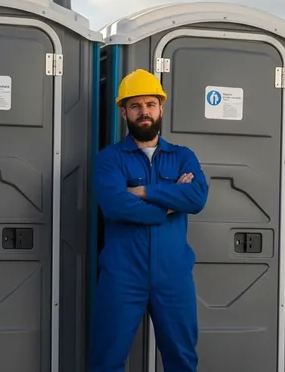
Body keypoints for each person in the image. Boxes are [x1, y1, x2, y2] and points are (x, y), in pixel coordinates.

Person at [89, 69, 209, 372]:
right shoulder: (110, 159)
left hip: (173, 275)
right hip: (122, 274)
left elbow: (196, 198)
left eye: (150, 104)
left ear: (161, 108)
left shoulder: (183, 156)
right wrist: (169, 205)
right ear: (123, 112)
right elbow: (116, 205)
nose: (144, 112)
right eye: (136, 106)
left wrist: (143, 191)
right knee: (107, 359)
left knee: (182, 359)